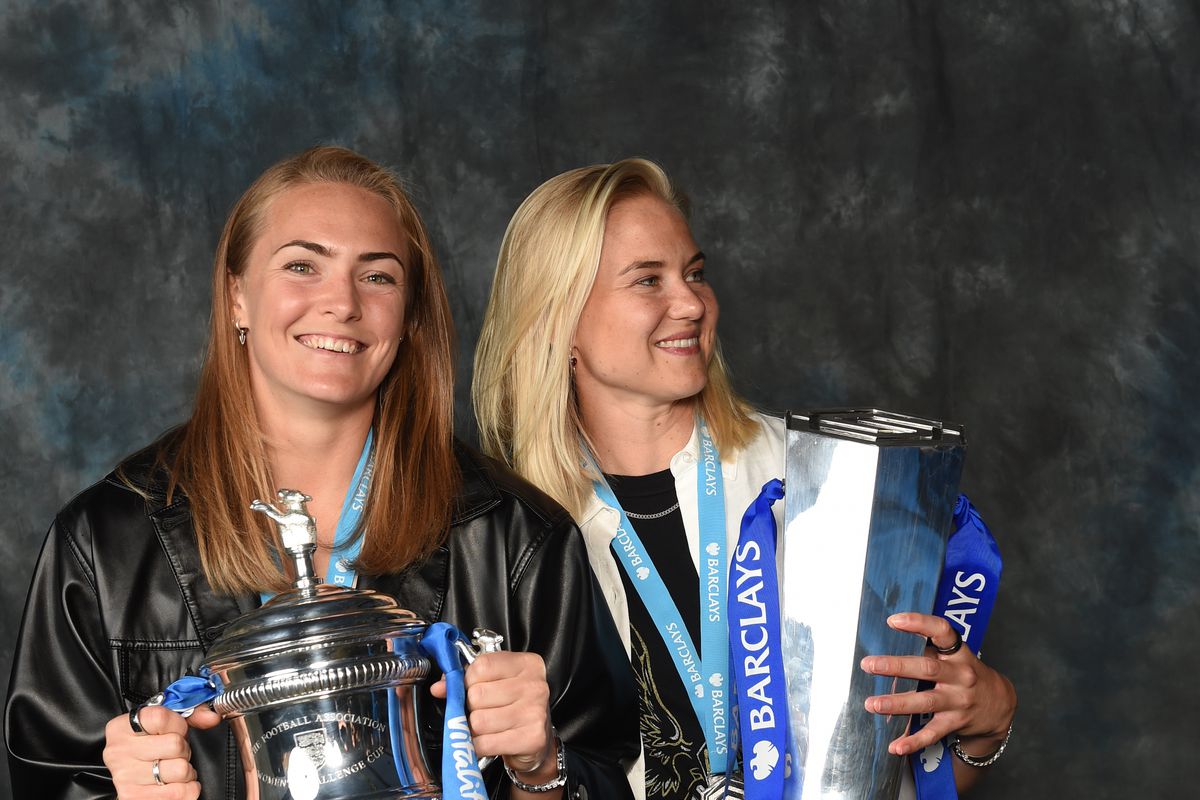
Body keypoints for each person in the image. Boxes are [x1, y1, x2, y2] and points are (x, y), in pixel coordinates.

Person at [5, 146, 638, 800]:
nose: (341, 303)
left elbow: (603, 771)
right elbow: (49, 782)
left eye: (378, 276)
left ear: (410, 316)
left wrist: (542, 771)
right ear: (237, 297)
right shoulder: (104, 545)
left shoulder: (515, 539)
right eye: (302, 266)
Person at [472, 159, 1018, 799]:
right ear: (558, 319)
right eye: (647, 280)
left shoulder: (818, 480)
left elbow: (880, 772)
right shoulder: (506, 538)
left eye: (695, 273)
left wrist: (986, 726)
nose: (690, 303)